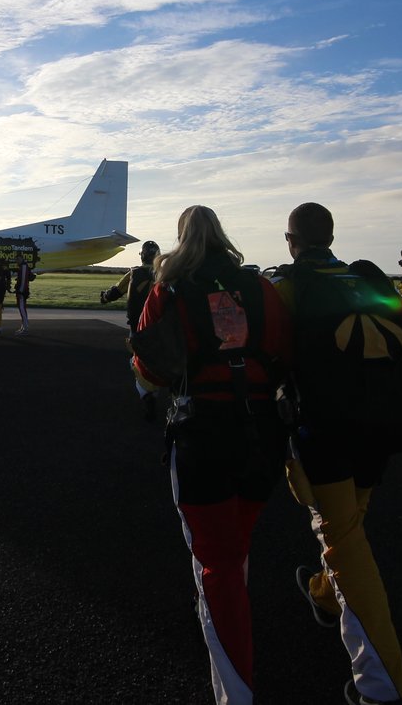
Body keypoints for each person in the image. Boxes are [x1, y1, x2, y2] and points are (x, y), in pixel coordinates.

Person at [131, 206, 292, 705]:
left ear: (181, 239)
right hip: (264, 429)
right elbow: (287, 353)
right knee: (236, 544)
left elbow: (150, 368)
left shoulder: (169, 288)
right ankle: (227, 613)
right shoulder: (262, 288)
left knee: (215, 561)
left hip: (202, 432)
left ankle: (235, 691)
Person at [272, 203, 402, 705]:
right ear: (330, 236)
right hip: (385, 425)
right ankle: (325, 595)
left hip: (327, 430)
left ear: (292, 240)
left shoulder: (287, 284)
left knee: (344, 537)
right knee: (351, 524)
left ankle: (381, 683)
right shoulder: (368, 279)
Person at [100, 239, 160, 333]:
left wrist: (105, 297)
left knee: (136, 344)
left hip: (136, 320)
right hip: (157, 320)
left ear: (142, 256)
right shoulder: (165, 274)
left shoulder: (134, 273)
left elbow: (117, 291)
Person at [13, 254, 35, 334]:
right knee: (22, 309)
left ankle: (25, 328)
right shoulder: (23, 266)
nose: (17, 261)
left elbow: (23, 281)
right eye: (16, 259)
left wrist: (20, 292)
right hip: (22, 291)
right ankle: (24, 327)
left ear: (22, 259)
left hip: (22, 292)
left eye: (18, 259)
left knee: (22, 309)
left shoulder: (23, 267)